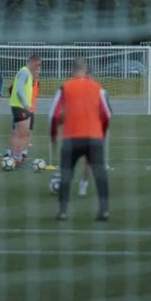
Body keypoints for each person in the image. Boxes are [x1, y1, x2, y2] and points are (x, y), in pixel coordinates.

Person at [49, 58, 112, 221]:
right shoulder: (98, 87)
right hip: (94, 138)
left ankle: (63, 212)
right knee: (100, 175)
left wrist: (53, 136)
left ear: (72, 71)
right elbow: (107, 114)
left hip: (71, 138)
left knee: (66, 175)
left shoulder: (65, 87)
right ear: (86, 70)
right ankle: (104, 211)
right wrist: (102, 133)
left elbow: (54, 115)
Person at [8, 55, 41, 165]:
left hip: (21, 106)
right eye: (37, 64)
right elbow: (19, 90)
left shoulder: (28, 74)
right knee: (21, 133)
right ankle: (14, 157)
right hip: (20, 106)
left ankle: (15, 156)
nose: (38, 67)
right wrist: (26, 104)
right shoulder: (25, 72)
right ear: (32, 62)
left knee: (21, 133)